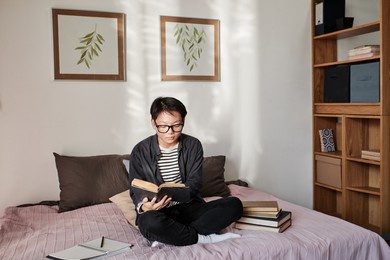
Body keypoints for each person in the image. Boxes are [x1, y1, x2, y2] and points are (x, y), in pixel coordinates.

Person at [129, 96, 243, 246]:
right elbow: (135, 188)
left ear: (183, 121)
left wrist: (171, 193)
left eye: (176, 125)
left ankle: (174, 235)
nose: (170, 132)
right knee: (148, 222)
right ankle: (201, 238)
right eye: (163, 126)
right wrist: (144, 207)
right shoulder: (140, 150)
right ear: (153, 123)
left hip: (190, 207)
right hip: (158, 211)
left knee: (234, 205)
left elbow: (194, 184)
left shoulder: (193, 145)